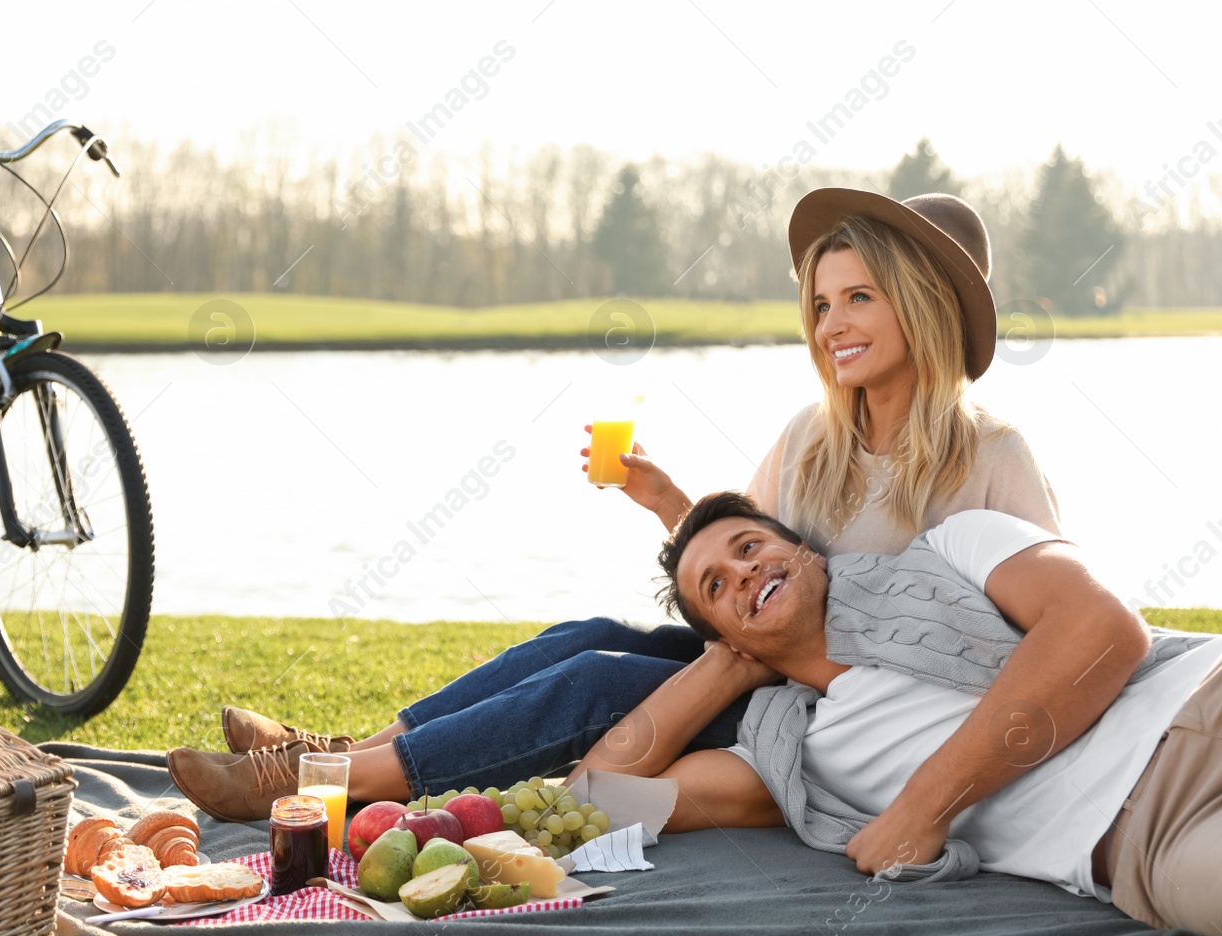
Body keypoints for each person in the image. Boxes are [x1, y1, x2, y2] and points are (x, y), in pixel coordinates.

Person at [168, 189, 1061, 822]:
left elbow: (1044, 629)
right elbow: (739, 569)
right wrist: (669, 501)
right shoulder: (811, 439)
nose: (830, 326)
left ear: (926, 305)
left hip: (845, 713)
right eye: (822, 304)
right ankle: (345, 750)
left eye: (859, 298)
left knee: (593, 682)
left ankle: (322, 777)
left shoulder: (990, 456)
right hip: (765, 660)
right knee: (584, 634)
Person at [647, 490, 1221, 933]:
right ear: (731, 643)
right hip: (1153, 839)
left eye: (749, 547)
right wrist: (721, 670)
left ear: (807, 552)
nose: (744, 572)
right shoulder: (794, 752)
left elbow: (1102, 629)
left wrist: (923, 808)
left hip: (1198, 697)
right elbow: (601, 798)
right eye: (717, 587)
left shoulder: (956, 546)